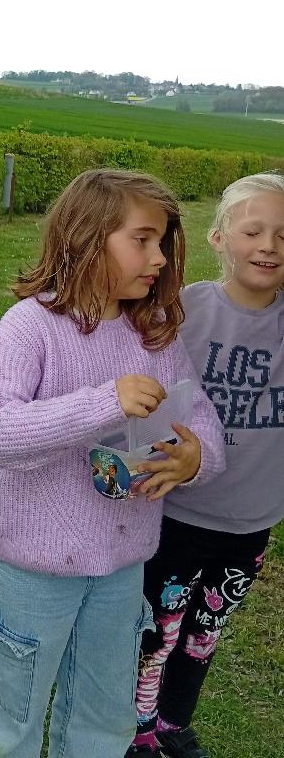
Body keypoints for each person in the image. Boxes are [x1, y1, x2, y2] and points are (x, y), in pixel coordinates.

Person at [0, 168, 226, 758]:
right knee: (12, 720)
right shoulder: (31, 327)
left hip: (122, 568)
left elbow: (200, 418)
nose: (158, 258)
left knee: (105, 718)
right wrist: (106, 402)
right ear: (86, 237)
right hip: (35, 571)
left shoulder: (153, 333)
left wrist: (194, 458)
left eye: (162, 242)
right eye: (142, 240)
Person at [128, 172, 284, 758]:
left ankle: (172, 721)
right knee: (158, 631)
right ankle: (137, 727)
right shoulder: (182, 310)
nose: (269, 246)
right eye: (253, 231)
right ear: (219, 238)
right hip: (178, 515)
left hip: (251, 522)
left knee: (204, 632)